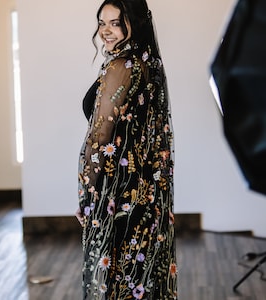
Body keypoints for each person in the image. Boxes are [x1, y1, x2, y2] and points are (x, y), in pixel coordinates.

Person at [77, 0, 177, 298]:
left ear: (134, 23)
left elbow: (99, 140)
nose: (105, 31)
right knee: (139, 275)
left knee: (116, 279)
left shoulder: (122, 66)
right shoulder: (149, 63)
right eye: (102, 22)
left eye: (115, 23)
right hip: (145, 193)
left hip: (116, 194)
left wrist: (87, 192)